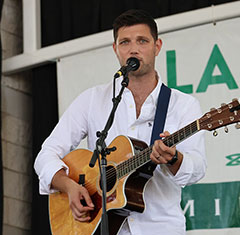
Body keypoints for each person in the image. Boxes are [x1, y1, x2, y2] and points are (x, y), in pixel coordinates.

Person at [34, 9, 206, 235]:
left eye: (142, 41)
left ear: (157, 46)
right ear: (116, 50)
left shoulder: (183, 105)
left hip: (161, 228)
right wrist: (71, 187)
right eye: (125, 42)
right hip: (100, 227)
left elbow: (197, 168)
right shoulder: (93, 99)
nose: (133, 48)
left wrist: (173, 158)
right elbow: (46, 154)